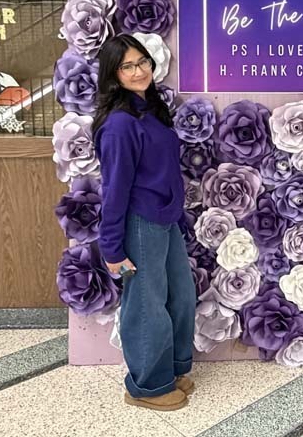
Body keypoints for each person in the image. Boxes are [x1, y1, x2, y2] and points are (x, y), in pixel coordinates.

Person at [92, 34, 196, 412]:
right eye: (128, 66)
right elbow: (114, 189)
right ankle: (148, 386)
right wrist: (112, 248)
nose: (139, 71)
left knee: (181, 296)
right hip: (140, 223)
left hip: (166, 220)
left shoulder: (149, 110)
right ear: (114, 74)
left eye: (143, 62)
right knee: (146, 305)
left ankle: (172, 368)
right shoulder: (120, 125)